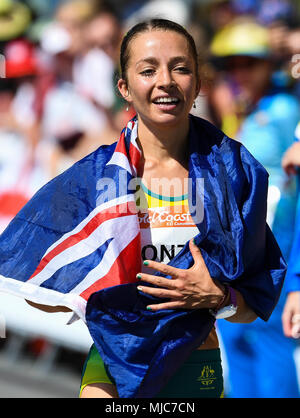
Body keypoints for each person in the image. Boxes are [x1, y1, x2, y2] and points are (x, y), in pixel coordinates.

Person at [0, 18, 286, 399]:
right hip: (114, 364)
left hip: (194, 366)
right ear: (125, 88)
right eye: (148, 70)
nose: (165, 81)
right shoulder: (93, 179)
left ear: (198, 84)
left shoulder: (234, 174)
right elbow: (34, 277)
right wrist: (96, 295)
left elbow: (255, 300)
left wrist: (217, 298)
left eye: (180, 68)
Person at [210, 18, 300, 398]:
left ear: (270, 64)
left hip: (276, 248)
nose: (240, 72)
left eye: (250, 62)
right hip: (244, 248)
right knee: (235, 333)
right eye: (232, 64)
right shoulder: (251, 106)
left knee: (268, 337)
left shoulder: (283, 109)